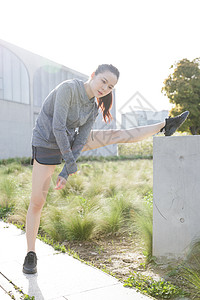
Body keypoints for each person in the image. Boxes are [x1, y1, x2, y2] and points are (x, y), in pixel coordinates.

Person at [22, 64, 189, 274]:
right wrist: (70, 164)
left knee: (117, 134)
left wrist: (65, 171)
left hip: (68, 142)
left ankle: (165, 125)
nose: (105, 88)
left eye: (110, 87)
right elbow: (57, 127)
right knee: (37, 201)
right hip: (46, 143)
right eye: (103, 81)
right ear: (93, 75)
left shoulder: (93, 108)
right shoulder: (68, 89)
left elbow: (81, 138)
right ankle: (30, 253)